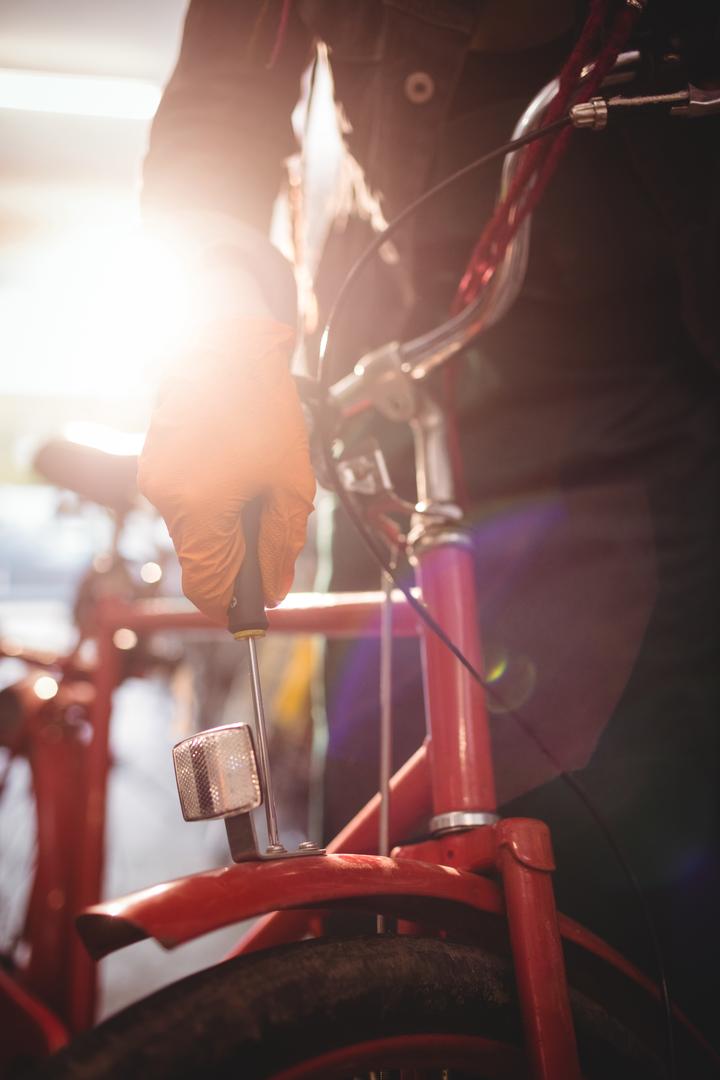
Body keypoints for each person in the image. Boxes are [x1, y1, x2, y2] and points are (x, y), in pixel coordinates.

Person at [138, 0, 720, 1044]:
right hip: (386, 395)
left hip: (652, 395)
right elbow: (218, 113)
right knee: (379, 892)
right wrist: (224, 335)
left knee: (641, 906)